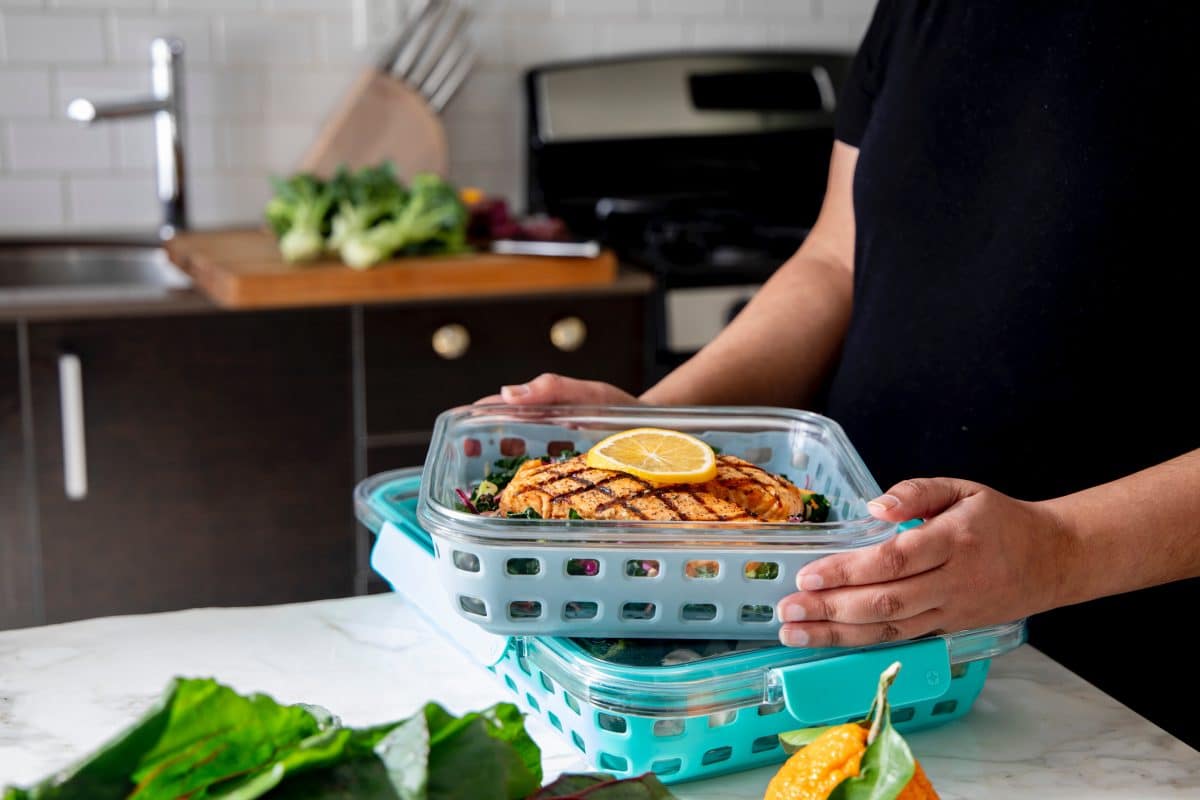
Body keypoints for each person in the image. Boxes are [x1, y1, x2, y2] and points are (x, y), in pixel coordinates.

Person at [479, 3, 1200, 746]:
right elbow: (836, 262)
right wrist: (653, 425)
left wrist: (1059, 550)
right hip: (845, 642)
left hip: (1120, 690)